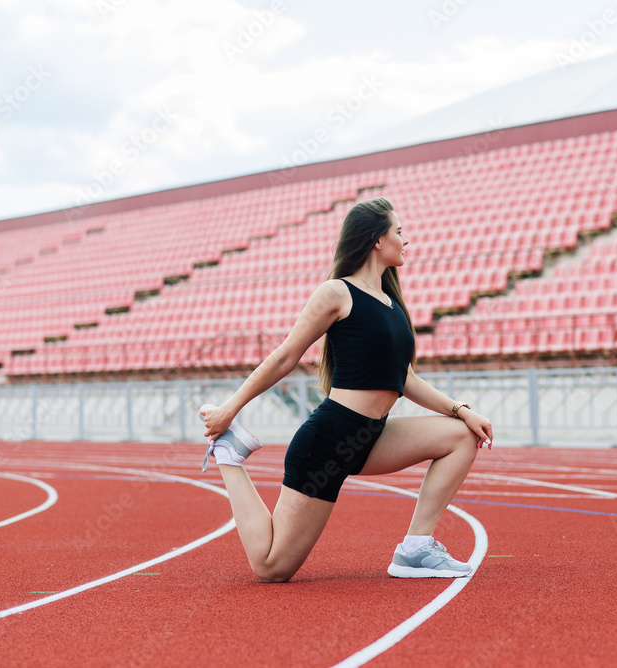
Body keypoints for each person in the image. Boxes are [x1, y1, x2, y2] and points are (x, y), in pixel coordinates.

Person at [200, 196, 493, 583]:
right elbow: (285, 356)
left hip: (373, 436)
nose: (406, 240)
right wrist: (229, 409)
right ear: (376, 239)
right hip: (329, 440)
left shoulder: (392, 304)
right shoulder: (336, 293)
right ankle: (229, 454)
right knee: (272, 568)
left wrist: (462, 410)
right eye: (399, 232)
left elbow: (404, 379)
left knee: (462, 435)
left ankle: (415, 549)